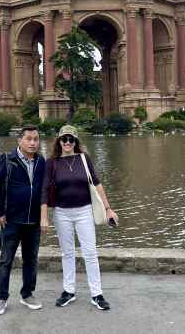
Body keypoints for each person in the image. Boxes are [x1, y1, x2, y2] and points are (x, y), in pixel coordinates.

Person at [40, 125, 118, 310]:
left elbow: (97, 184)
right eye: (64, 139)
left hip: (84, 211)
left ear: (76, 141)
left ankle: (97, 294)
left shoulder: (84, 158)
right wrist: (44, 216)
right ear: (59, 141)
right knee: (67, 253)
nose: (67, 142)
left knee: (90, 253)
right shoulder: (51, 163)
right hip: (62, 213)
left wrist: (108, 209)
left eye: (71, 139)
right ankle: (69, 291)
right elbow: (43, 190)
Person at [0, 125, 46, 315]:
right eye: (28, 139)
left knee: (31, 260)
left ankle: (27, 293)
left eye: (36, 139)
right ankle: (1, 297)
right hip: (11, 221)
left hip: (33, 221)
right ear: (19, 140)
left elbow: (45, 189)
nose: (33, 143)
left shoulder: (41, 162)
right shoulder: (7, 160)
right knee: (6, 260)